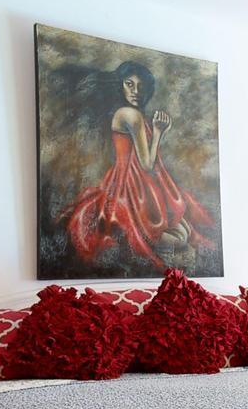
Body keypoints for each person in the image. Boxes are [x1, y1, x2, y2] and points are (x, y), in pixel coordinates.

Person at [62, 60, 216, 269]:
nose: (136, 91)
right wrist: (159, 132)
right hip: (130, 185)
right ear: (121, 86)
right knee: (178, 237)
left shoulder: (135, 115)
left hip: (140, 182)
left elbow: (147, 161)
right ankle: (152, 248)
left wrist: (158, 131)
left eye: (141, 86)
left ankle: (160, 246)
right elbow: (147, 164)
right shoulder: (130, 115)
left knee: (183, 232)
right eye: (130, 84)